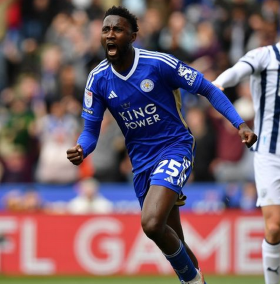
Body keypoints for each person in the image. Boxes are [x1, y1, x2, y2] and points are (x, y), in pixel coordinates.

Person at [67, 6, 257, 284]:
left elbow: (206, 88)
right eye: (106, 29)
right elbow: (90, 132)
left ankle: (192, 281)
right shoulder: (97, 79)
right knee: (173, 237)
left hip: (174, 148)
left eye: (117, 29)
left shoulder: (158, 64)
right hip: (141, 163)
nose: (110, 35)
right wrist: (82, 148)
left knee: (152, 223)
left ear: (132, 36)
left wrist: (239, 123)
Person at [212, 29, 280, 284]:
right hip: (270, 154)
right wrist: (218, 83)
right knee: (274, 227)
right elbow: (237, 71)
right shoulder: (265, 56)